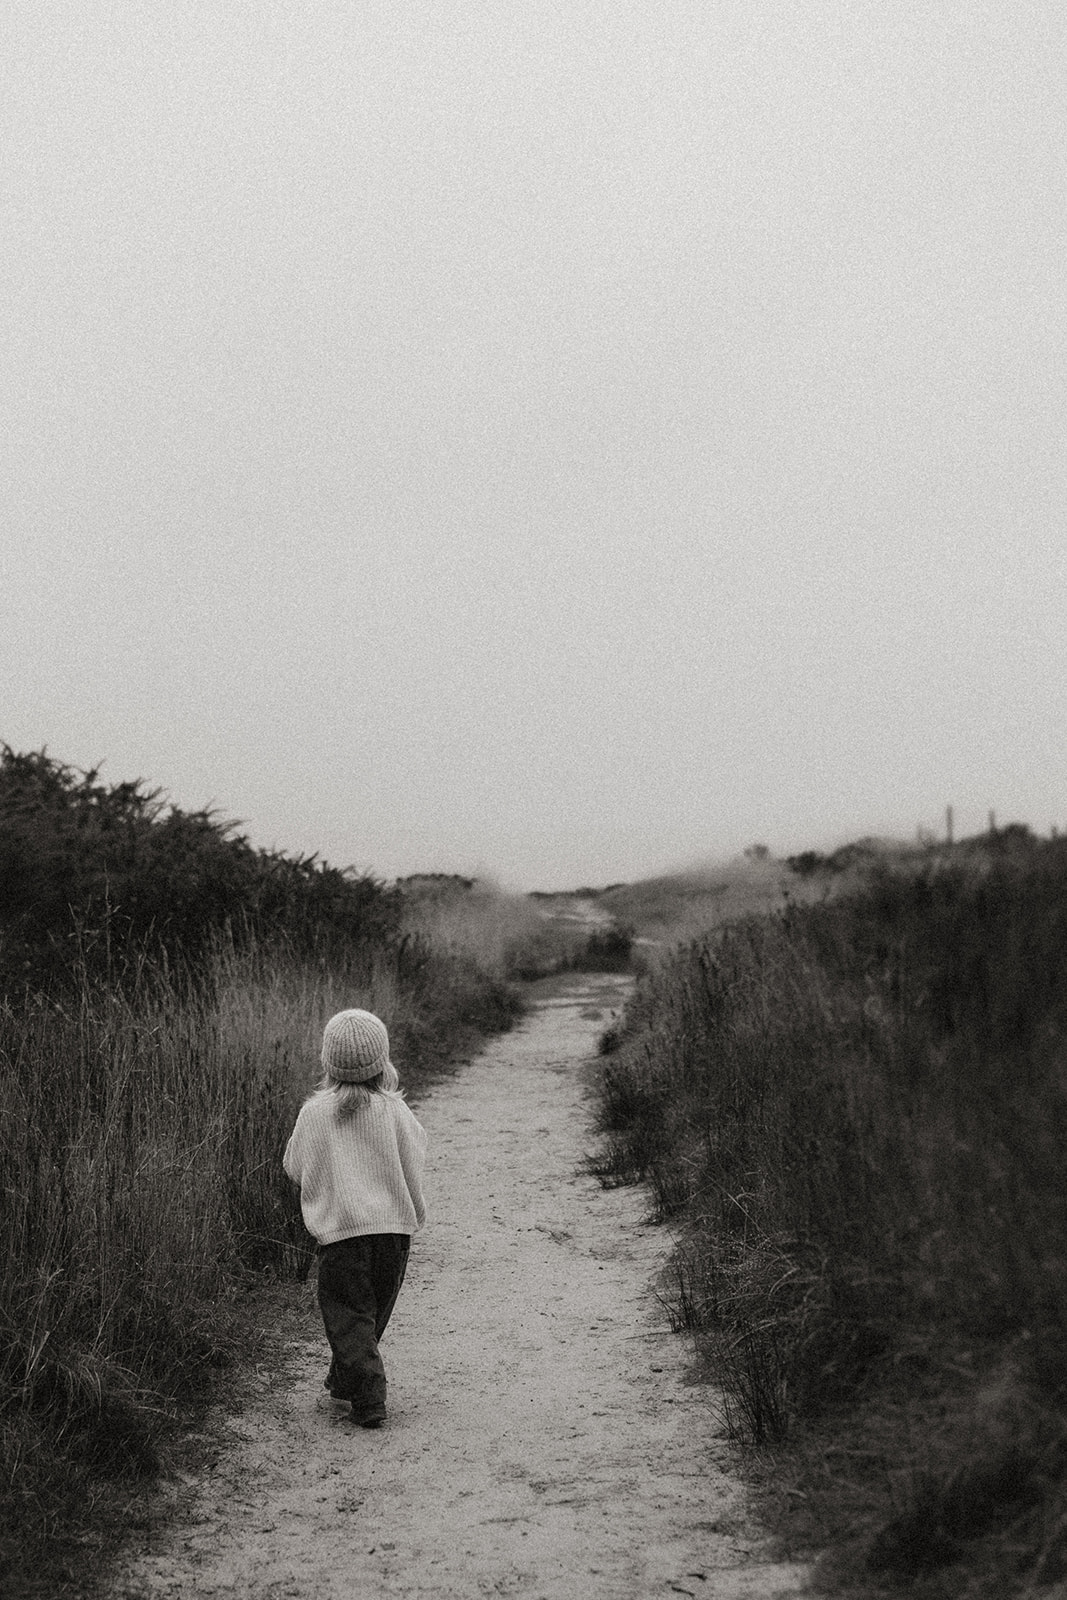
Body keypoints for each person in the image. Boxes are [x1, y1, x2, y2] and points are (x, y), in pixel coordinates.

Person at [284, 1008, 427, 1429]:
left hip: (343, 1235)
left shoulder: (314, 1113)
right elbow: (416, 1158)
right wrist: (410, 1207)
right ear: (381, 1061)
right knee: (371, 1316)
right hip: (393, 1235)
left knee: (349, 1316)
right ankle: (348, 1378)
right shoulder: (396, 1111)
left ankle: (368, 1399)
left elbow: (293, 1164)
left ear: (328, 1062)